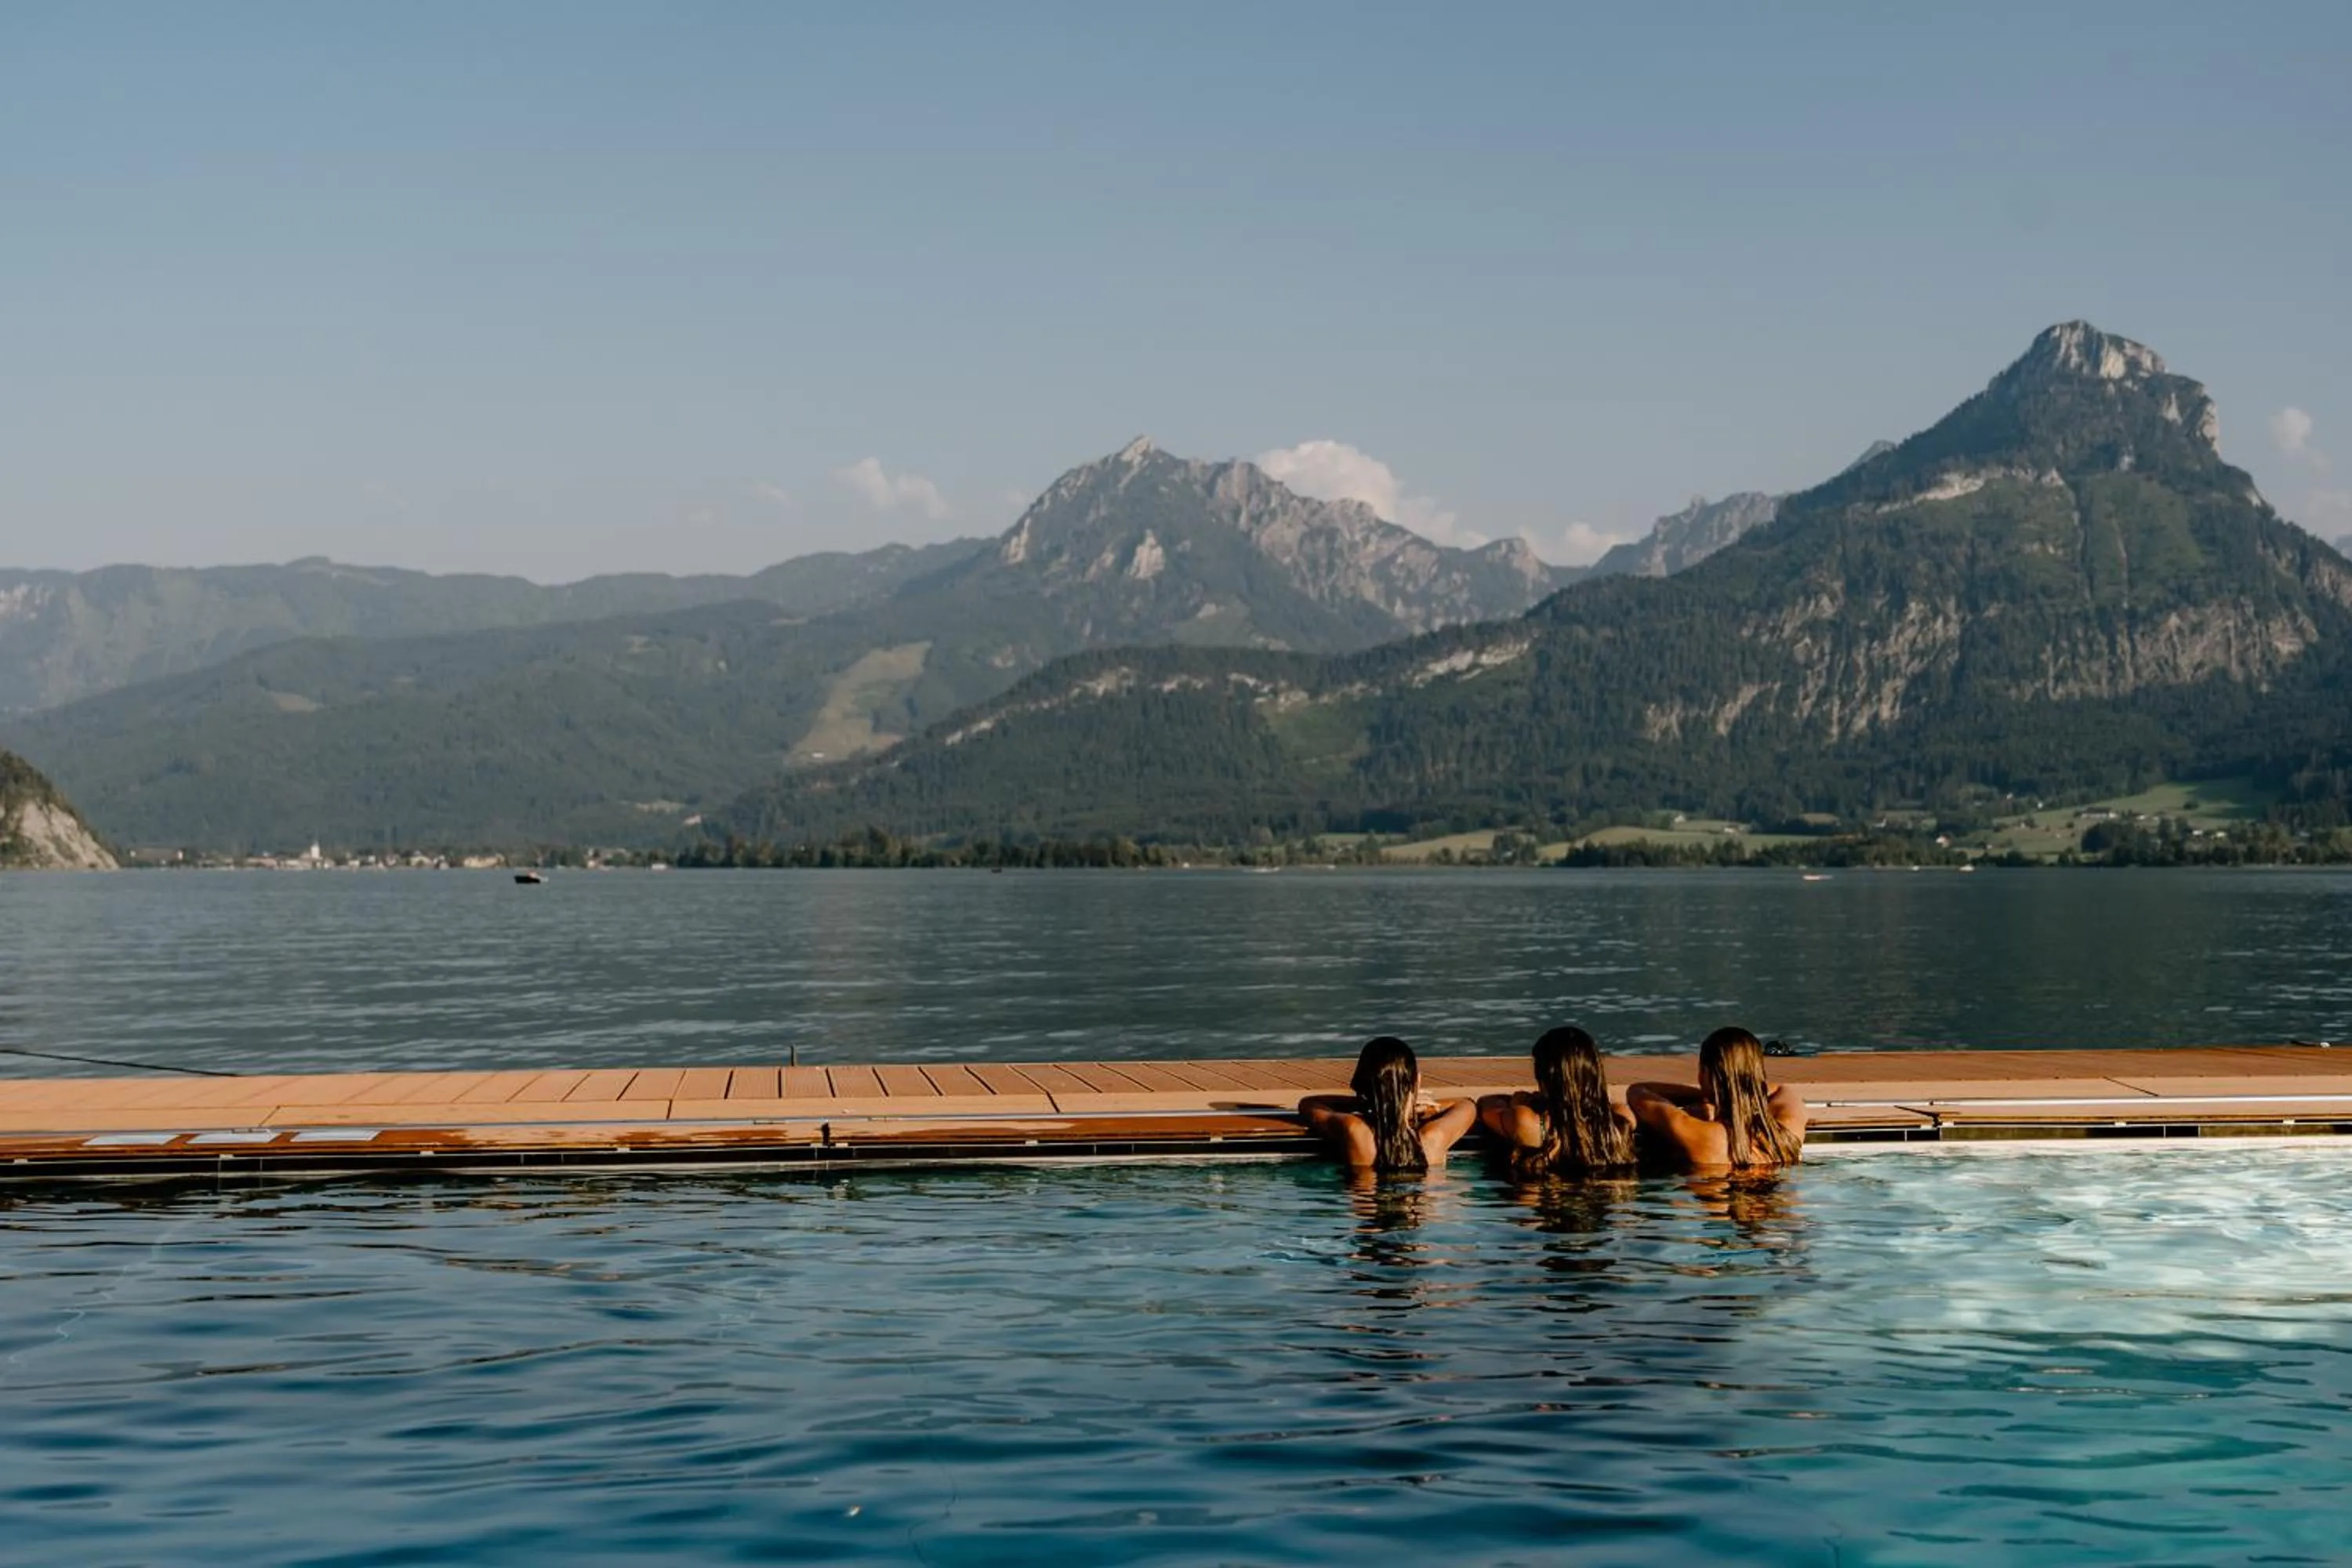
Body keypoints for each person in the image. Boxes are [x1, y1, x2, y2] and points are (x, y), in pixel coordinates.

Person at [1626, 1025, 1808, 1171]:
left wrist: (1710, 1095)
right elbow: (1780, 1089)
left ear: (1705, 1073)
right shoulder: (1788, 1128)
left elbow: (1638, 1091)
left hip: (1715, 1202)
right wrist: (1738, 1093)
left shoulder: (1704, 1134)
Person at [1476, 1025, 1639, 1178]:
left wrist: (1518, 1102)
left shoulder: (1529, 1123)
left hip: (1548, 1199)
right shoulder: (1621, 1120)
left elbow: (1486, 1104)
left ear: (1546, 1076)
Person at [1298, 1036, 1478, 1172]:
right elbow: (1468, 1104)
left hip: (1369, 1211)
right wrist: (1418, 1105)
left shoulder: (1356, 1131)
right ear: (1417, 1081)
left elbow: (1309, 1104)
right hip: (1419, 1214)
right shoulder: (1434, 1138)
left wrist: (1365, 1103)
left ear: (1361, 1083)